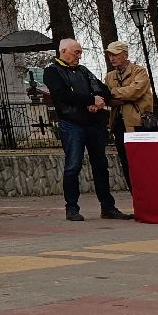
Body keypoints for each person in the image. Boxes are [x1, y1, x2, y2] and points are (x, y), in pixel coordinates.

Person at [44, 39, 133, 222]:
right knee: (73, 166)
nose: (79, 56)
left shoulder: (84, 70)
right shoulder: (52, 71)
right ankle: (71, 208)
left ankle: (108, 207)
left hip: (93, 124)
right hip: (71, 123)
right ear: (64, 51)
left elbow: (104, 90)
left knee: (100, 165)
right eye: (76, 52)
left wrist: (99, 100)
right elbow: (63, 96)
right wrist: (90, 100)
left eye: (80, 52)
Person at [104, 40, 154, 191]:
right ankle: (136, 199)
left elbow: (136, 92)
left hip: (139, 125)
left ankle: (151, 197)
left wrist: (113, 93)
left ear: (125, 55)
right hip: (119, 125)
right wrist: (120, 96)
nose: (111, 58)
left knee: (144, 163)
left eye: (115, 54)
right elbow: (108, 100)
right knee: (126, 164)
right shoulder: (109, 76)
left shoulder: (139, 71)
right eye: (109, 55)